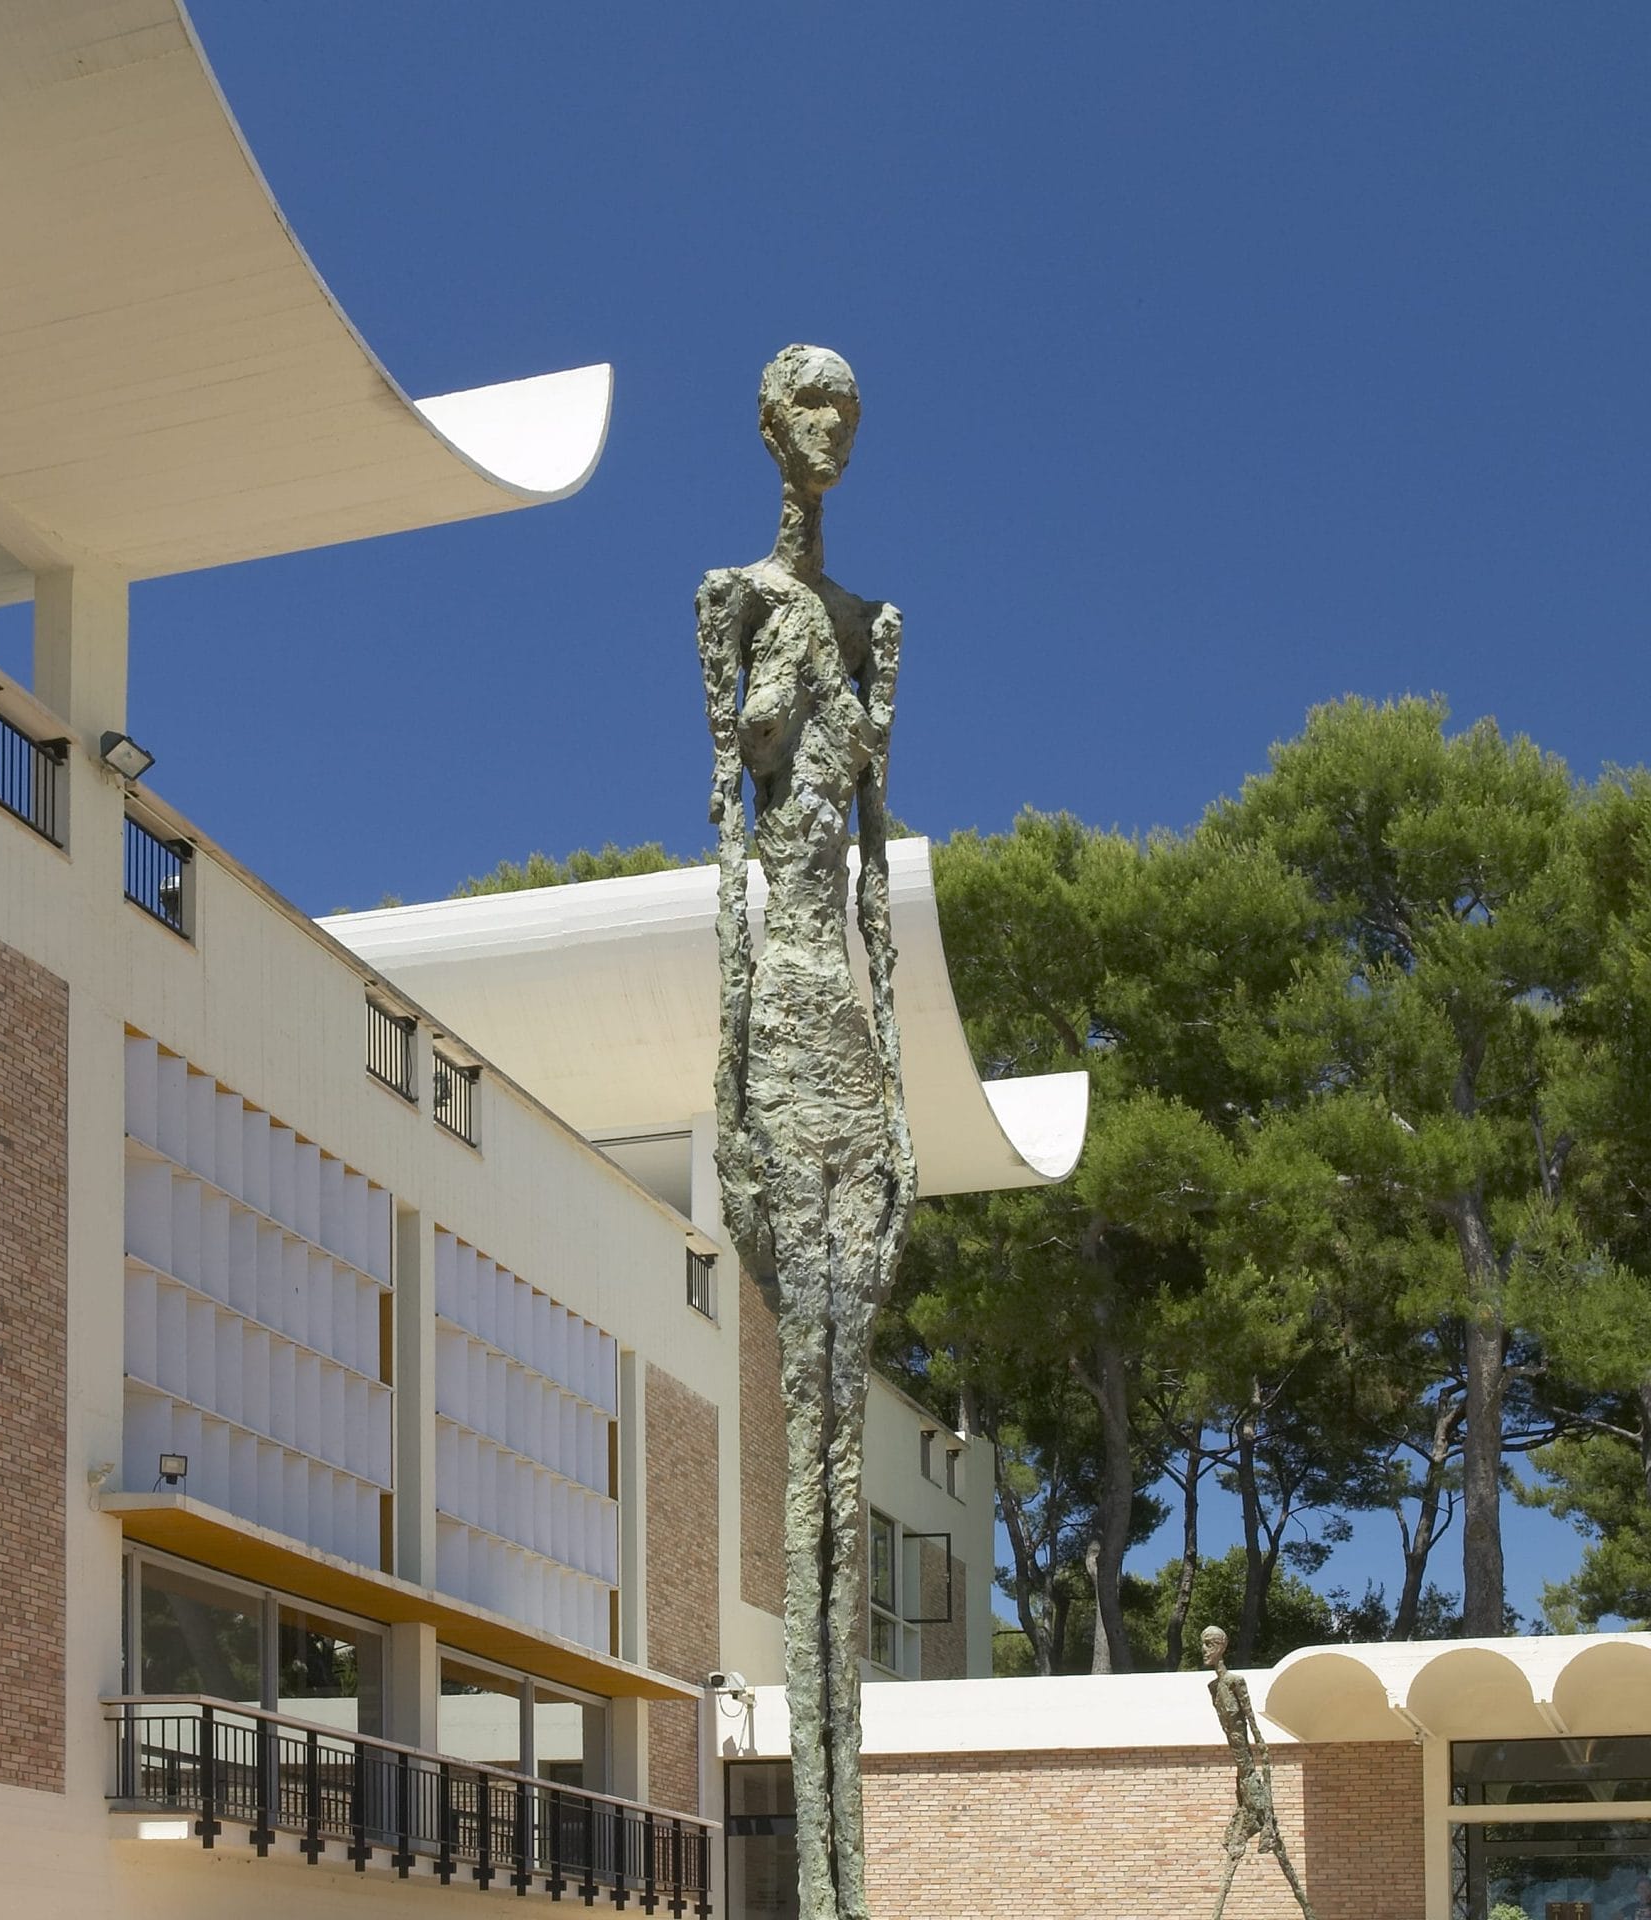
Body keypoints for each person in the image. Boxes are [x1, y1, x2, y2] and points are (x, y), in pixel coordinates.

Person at [699, 345, 917, 1920]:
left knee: (848, 1433)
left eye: (850, 407)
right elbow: (735, 841)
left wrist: (902, 1094)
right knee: (807, 1431)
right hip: (774, 1013)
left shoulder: (878, 627)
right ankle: (816, 1884)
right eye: (809, 408)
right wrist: (726, 1093)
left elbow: (876, 888)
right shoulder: (740, 599)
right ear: (771, 427)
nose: (831, 429)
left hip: (847, 1021)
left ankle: (853, 1877)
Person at [1202, 1623, 1318, 1920]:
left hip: (1252, 1776)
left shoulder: (1234, 1682)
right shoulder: (1213, 1688)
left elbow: (1259, 1741)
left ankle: (1307, 1910)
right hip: (1242, 1777)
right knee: (1236, 1846)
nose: (1205, 1650)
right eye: (1203, 1644)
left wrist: (1266, 1793)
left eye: (1210, 1644)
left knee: (1273, 1847)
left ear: (1221, 1646)